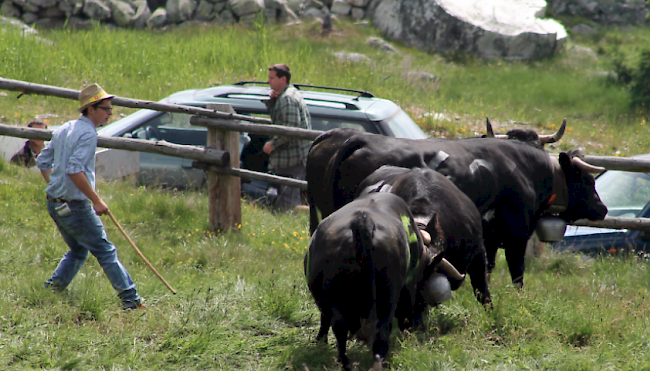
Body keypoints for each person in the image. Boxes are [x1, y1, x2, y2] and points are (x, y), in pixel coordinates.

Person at [36, 84, 143, 310]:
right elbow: (75, 170)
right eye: (105, 108)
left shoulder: (66, 128)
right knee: (105, 251)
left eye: (110, 109)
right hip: (75, 206)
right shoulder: (87, 134)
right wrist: (96, 200)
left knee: (78, 250)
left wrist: (56, 188)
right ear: (90, 109)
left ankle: (52, 290)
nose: (110, 113)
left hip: (54, 203)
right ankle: (131, 300)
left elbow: (43, 161)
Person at [262, 64, 312, 211]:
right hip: (292, 157)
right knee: (287, 196)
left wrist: (272, 144)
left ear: (283, 79)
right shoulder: (287, 95)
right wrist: (273, 103)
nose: (268, 81)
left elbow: (290, 129)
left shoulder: (288, 99)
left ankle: (289, 224)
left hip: (292, 159)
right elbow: (280, 120)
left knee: (288, 201)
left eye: (272, 78)